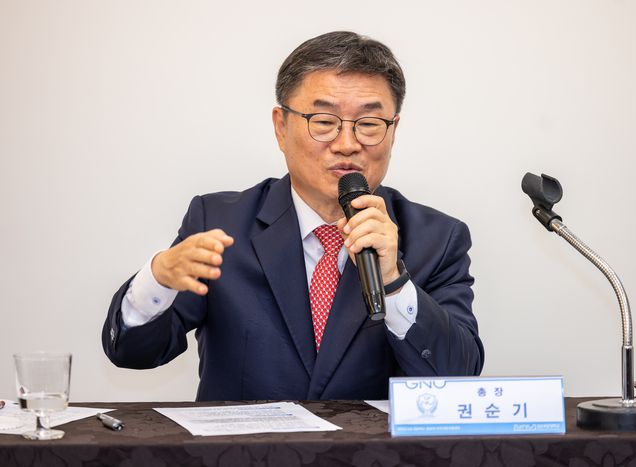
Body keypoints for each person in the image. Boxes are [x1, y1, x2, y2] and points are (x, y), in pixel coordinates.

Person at [102, 31, 484, 401]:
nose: (347, 144)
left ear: (393, 131)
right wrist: (158, 278)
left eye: (368, 124)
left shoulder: (438, 239)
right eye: (324, 122)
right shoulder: (219, 223)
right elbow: (133, 353)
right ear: (281, 127)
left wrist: (394, 282)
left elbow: (459, 377)